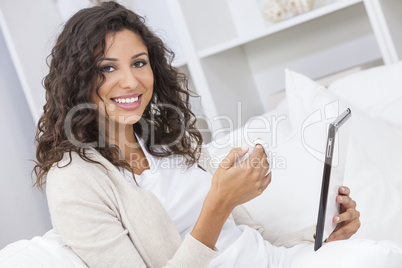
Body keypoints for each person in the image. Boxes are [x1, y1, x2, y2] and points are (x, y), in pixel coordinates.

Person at [33, 2, 402, 267]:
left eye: (139, 63)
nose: (130, 81)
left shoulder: (164, 144)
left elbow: (248, 242)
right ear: (77, 79)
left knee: (379, 253)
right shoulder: (73, 181)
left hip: (278, 260)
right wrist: (218, 203)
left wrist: (320, 235)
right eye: (107, 68)